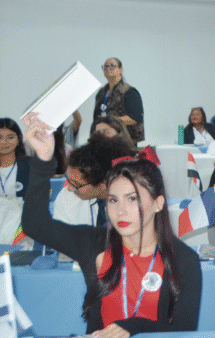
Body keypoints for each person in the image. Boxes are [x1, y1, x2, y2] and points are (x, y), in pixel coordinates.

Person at [22, 113, 201, 336]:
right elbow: (34, 225)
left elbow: (184, 331)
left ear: (158, 203)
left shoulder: (184, 260)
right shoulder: (94, 243)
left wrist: (133, 327)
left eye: (132, 198)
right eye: (113, 200)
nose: (120, 211)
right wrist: (44, 158)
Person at [53, 133, 139, 227]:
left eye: (76, 184)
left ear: (103, 184)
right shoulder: (67, 198)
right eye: (68, 179)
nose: (68, 188)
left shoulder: (135, 205)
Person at [93, 58, 145, 143]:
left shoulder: (129, 91)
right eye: (105, 66)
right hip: (103, 141)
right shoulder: (101, 93)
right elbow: (96, 118)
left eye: (112, 66)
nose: (108, 68)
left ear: (120, 70)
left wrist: (110, 120)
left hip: (124, 142)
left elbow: (134, 118)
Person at [0, 118, 29, 198]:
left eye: (10, 137)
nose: (4, 142)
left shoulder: (31, 165)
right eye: (0, 137)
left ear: (18, 139)